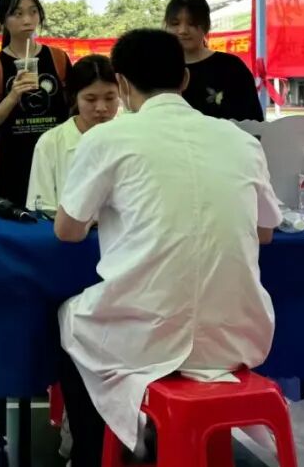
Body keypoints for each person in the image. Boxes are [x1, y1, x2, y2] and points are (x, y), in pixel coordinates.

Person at [54, 29, 281, 467]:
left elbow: (67, 231)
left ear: (122, 84)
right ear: (185, 79)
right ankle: (156, 441)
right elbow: (266, 233)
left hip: (143, 337)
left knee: (68, 319)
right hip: (237, 337)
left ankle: (95, 454)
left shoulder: (107, 138)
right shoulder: (240, 140)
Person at [0, 0, 72, 206]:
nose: (27, 20)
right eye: (17, 14)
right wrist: (13, 96)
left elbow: (74, 111)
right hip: (13, 171)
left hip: (58, 166)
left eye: (33, 11)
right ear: (3, 20)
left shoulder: (58, 59)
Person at [25, 55, 118, 214]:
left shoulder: (129, 139)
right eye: (91, 99)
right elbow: (42, 208)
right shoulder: (51, 143)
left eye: (110, 98)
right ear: (75, 98)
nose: (101, 108)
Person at [165, 0, 263, 122]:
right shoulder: (157, 70)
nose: (183, 30)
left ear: (206, 26)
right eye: (175, 23)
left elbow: (253, 122)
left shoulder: (231, 68)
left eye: (192, 23)